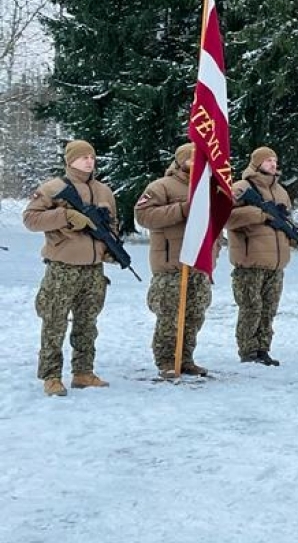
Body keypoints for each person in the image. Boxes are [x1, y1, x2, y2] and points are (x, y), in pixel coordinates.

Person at [21, 140, 120, 396]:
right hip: (63, 268)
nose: (89, 161)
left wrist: (111, 250)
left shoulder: (104, 191)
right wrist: (64, 217)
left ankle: (83, 372)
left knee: (88, 323)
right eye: (83, 156)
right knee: (54, 322)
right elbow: (30, 219)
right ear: (70, 160)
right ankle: (51, 376)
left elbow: (112, 225)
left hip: (93, 270)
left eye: (92, 156)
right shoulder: (53, 188)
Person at [135, 143, 214, 378]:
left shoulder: (207, 188)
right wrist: (182, 209)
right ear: (180, 161)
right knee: (170, 314)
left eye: (199, 158)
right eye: (190, 158)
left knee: (194, 314)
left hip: (198, 265)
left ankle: (186, 357)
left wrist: (213, 255)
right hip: (171, 264)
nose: (195, 162)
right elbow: (144, 215)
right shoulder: (161, 187)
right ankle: (167, 360)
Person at [225, 146, 296, 365]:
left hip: (275, 264)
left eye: (275, 160)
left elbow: (286, 221)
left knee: (268, 310)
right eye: (268, 161)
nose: (273, 164)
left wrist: (292, 237)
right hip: (250, 262)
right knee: (251, 308)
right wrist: (260, 214)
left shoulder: (281, 192)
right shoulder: (241, 188)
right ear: (256, 164)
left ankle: (263, 349)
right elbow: (226, 217)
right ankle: (248, 351)